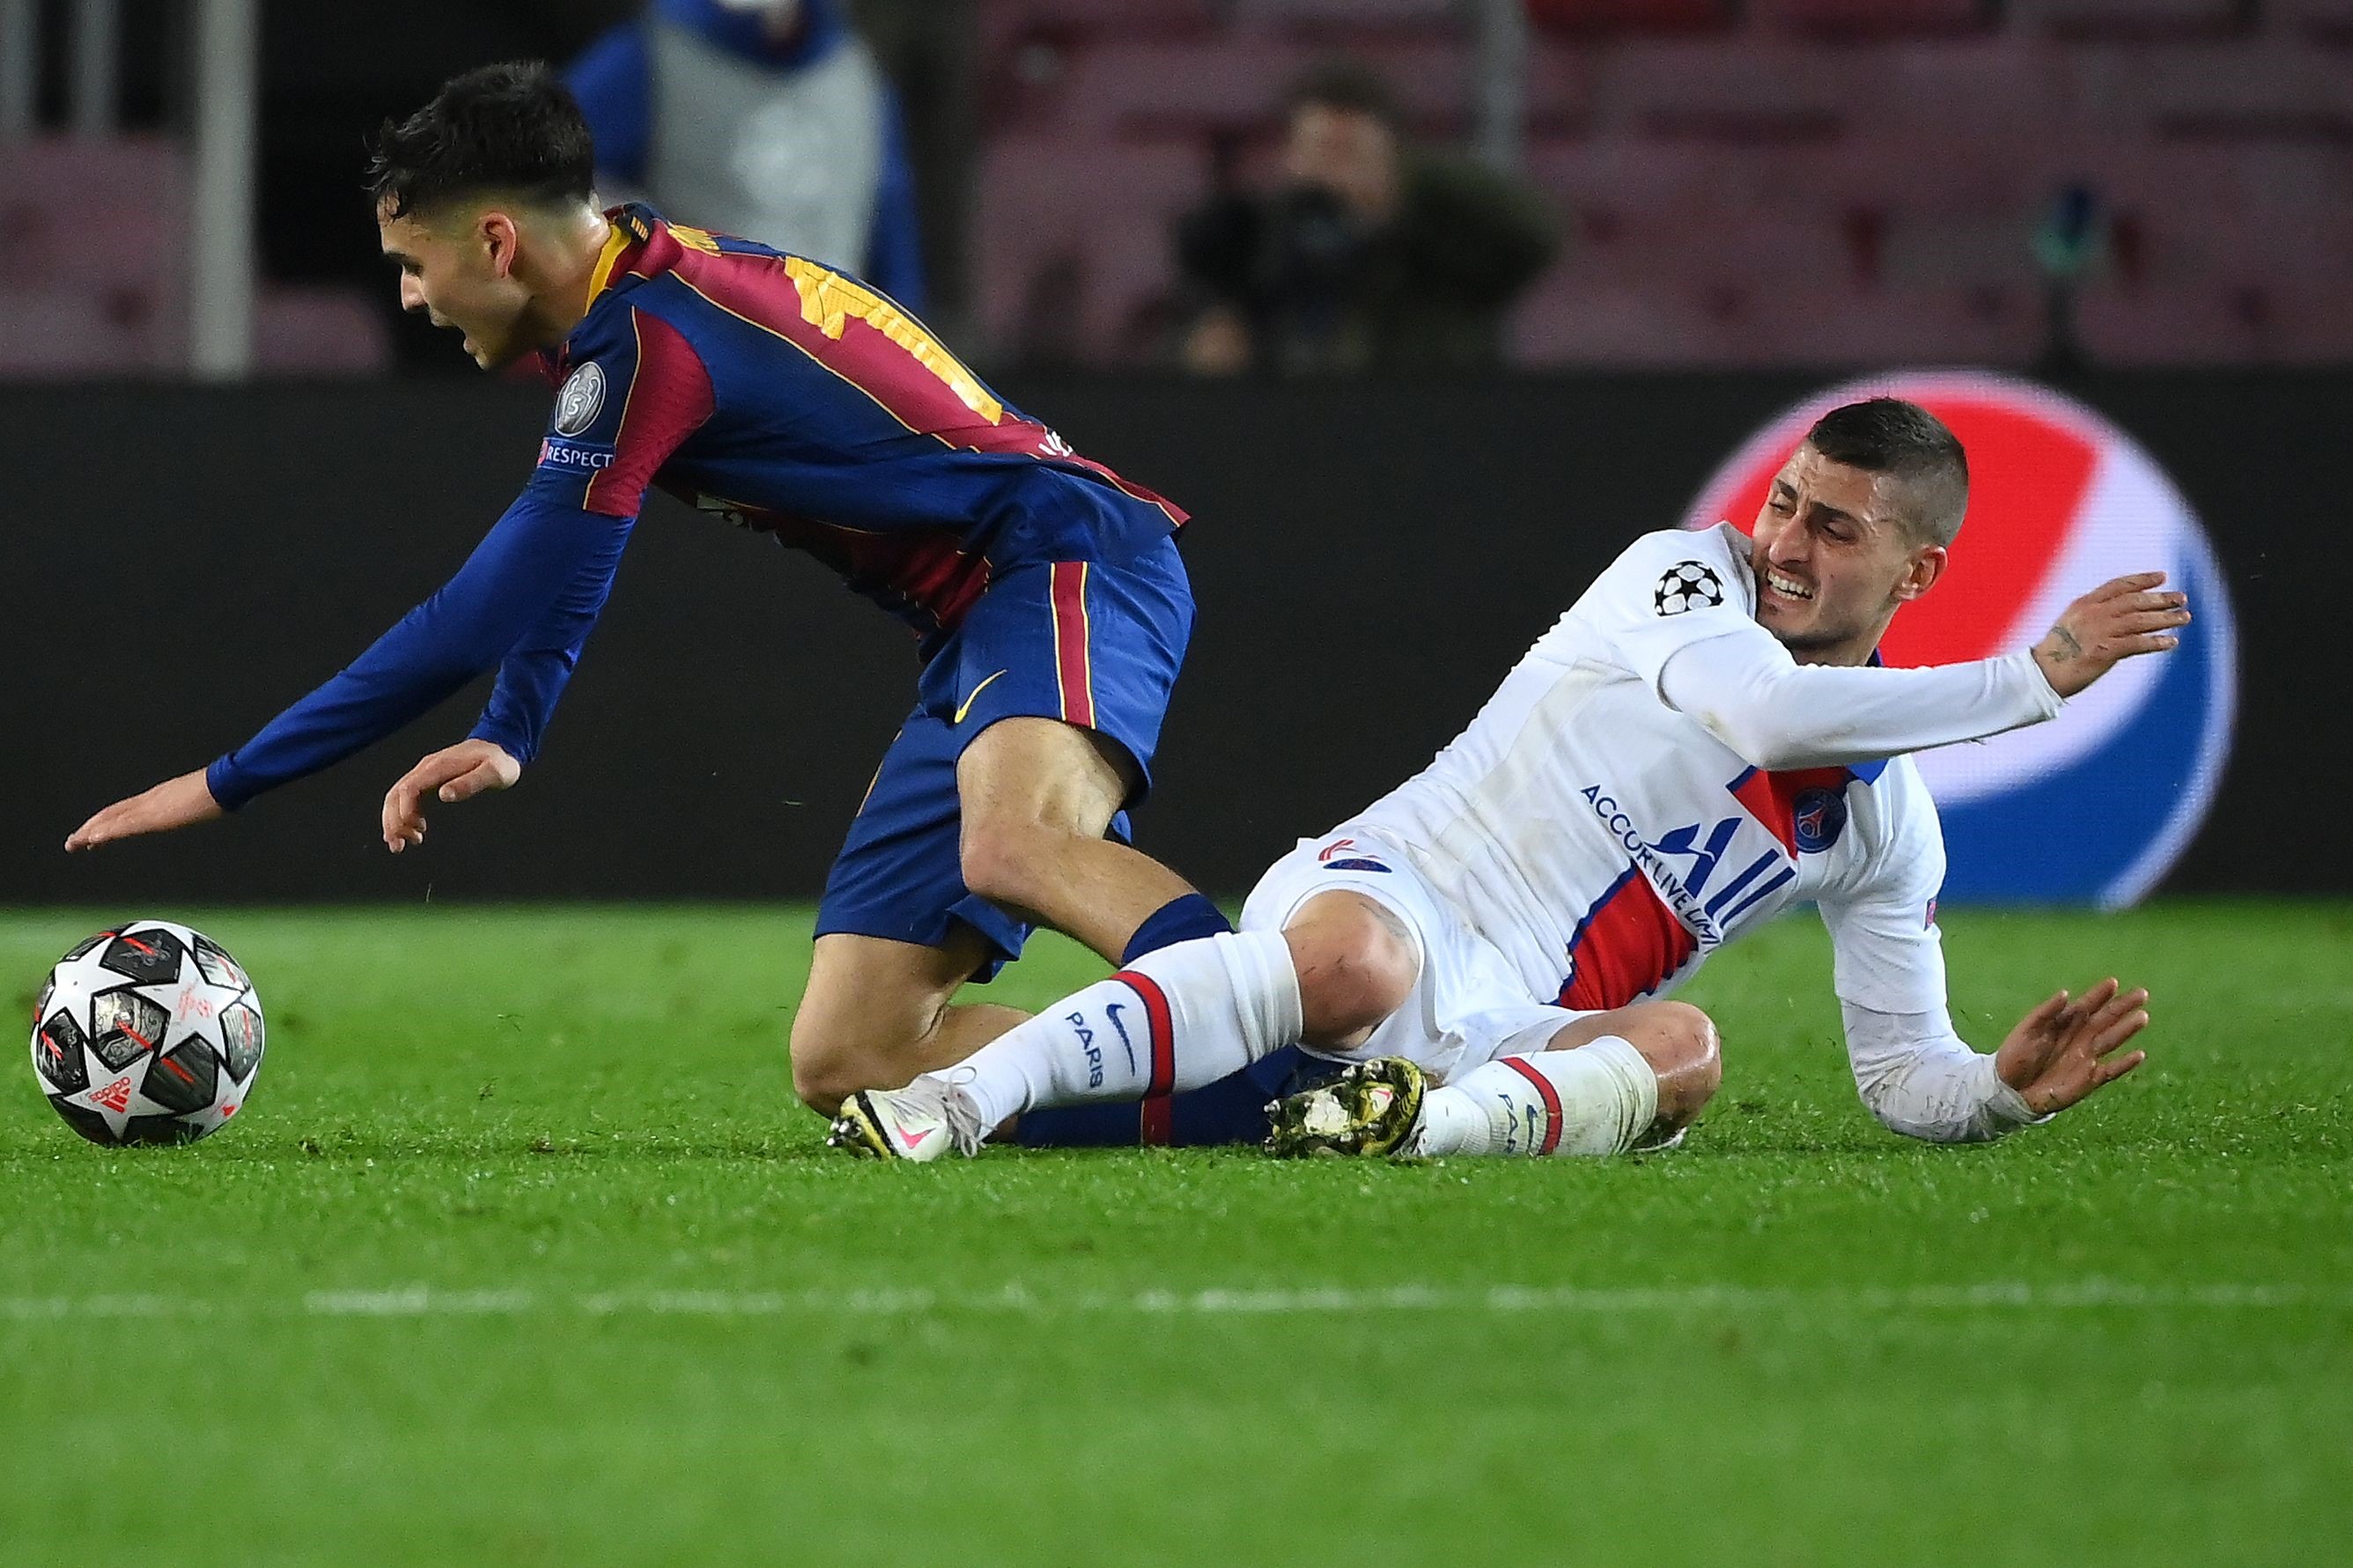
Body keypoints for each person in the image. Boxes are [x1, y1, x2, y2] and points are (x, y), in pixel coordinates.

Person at [63, 63, 1228, 1115]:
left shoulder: (649, 346)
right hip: (983, 621)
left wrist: (228, 783)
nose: (412, 298)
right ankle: (1221, 1099)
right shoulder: (637, 285)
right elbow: (573, 561)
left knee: (1008, 847)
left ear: (498, 244)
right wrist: (515, 726)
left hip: (1068, 557)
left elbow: (476, 611)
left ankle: (1291, 1035)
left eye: (414, 266)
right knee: (855, 1055)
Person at [830, 399, 2188, 1161]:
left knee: (1686, 1054)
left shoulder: (1884, 830)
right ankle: (957, 1099)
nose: (1781, 540)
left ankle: (1396, 1129)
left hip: (1501, 1031)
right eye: (1786, 500)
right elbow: (1767, 717)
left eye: (1833, 528)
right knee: (1355, 963)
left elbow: (1901, 1074)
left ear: (1918, 574)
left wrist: (1997, 1091)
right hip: (1390, 894)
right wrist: (2035, 679)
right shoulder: (1684, 576)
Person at [1175, 60, 1559, 377]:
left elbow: (1536, 237)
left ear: (1391, 155)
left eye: (1352, 151)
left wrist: (1407, 185)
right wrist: (1204, 357)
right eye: (1323, 149)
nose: (1337, 171)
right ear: (1291, 156)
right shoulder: (1253, 242)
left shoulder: (1441, 247)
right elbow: (1178, 338)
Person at [566, 0, 926, 313]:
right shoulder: (644, 60)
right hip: (692, 354)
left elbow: (893, 245)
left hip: (832, 361)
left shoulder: (857, 80)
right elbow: (546, 174)